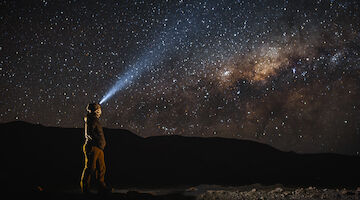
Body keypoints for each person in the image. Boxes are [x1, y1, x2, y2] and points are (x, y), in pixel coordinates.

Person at [80, 103, 110, 194]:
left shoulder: (94, 120)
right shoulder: (91, 120)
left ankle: (101, 188)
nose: (100, 111)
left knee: (101, 168)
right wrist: (99, 142)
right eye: (99, 109)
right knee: (90, 168)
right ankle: (85, 189)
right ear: (96, 110)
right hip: (93, 147)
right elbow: (90, 133)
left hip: (98, 147)